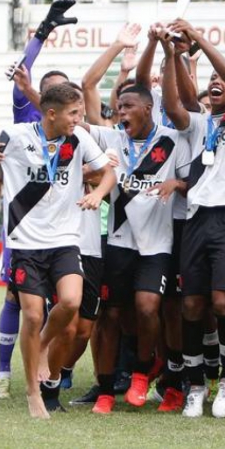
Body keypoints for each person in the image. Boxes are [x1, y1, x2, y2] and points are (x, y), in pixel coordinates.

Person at [0, 83, 115, 418]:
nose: (79, 119)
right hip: (26, 243)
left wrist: (98, 193)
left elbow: (109, 174)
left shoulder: (78, 139)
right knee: (31, 314)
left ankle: (42, 344)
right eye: (74, 113)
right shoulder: (15, 135)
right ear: (52, 113)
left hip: (64, 239)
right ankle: (33, 393)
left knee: (71, 302)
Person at [162, 18, 225, 419]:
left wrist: (199, 38)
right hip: (197, 221)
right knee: (191, 307)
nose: (216, 82)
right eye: (211, 78)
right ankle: (196, 385)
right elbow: (171, 107)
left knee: (223, 302)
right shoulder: (201, 124)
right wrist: (171, 55)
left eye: (224, 78)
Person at [87, 77, 191, 415]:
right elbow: (77, 124)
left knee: (149, 307)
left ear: (149, 109)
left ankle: (143, 373)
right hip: (119, 242)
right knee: (111, 314)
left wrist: (177, 182)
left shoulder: (174, 140)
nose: (121, 113)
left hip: (158, 244)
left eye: (127, 107)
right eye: (118, 108)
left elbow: (199, 180)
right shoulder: (112, 138)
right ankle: (104, 390)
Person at [0, 0, 76, 400]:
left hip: (61, 229)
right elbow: (20, 75)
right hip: (23, 226)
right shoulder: (25, 116)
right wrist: (42, 32)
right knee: (17, 297)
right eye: (46, 89)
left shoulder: (74, 130)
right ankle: (5, 372)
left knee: (66, 300)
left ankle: (55, 367)